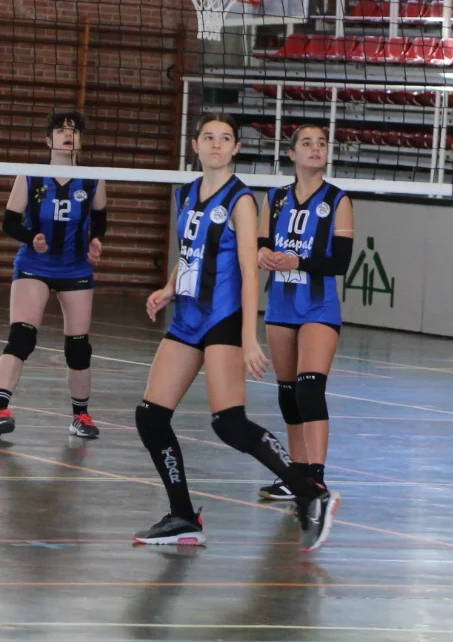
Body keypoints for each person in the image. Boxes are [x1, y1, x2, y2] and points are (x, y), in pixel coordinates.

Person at [132, 113, 337, 550]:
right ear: (195, 145)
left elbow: (249, 270)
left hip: (222, 318)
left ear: (236, 148)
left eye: (225, 138)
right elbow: (190, 251)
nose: (216, 144)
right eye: (208, 137)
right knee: (150, 416)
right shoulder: (185, 193)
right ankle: (183, 516)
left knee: (229, 422)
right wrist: (168, 288)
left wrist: (248, 337)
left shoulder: (241, 199)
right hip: (187, 317)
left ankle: (309, 492)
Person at [0, 109, 107, 440]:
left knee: (78, 347)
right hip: (34, 265)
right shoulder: (31, 176)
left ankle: (80, 416)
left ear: (80, 140)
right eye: (61, 130)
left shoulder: (93, 178)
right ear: (48, 140)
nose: (68, 135)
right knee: (21, 337)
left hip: (76, 267)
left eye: (74, 131)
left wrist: (96, 239)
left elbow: (100, 218)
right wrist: (31, 238)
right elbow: (9, 222)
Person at [256, 124, 355, 502]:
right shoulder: (275, 198)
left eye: (322, 143)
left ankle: (316, 478)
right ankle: (295, 475)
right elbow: (261, 243)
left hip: (318, 306)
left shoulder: (338, 200)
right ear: (292, 153)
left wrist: (298, 261)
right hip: (281, 304)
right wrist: (263, 254)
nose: (316, 148)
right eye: (307, 143)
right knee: (288, 394)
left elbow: (340, 262)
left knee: (310, 388)